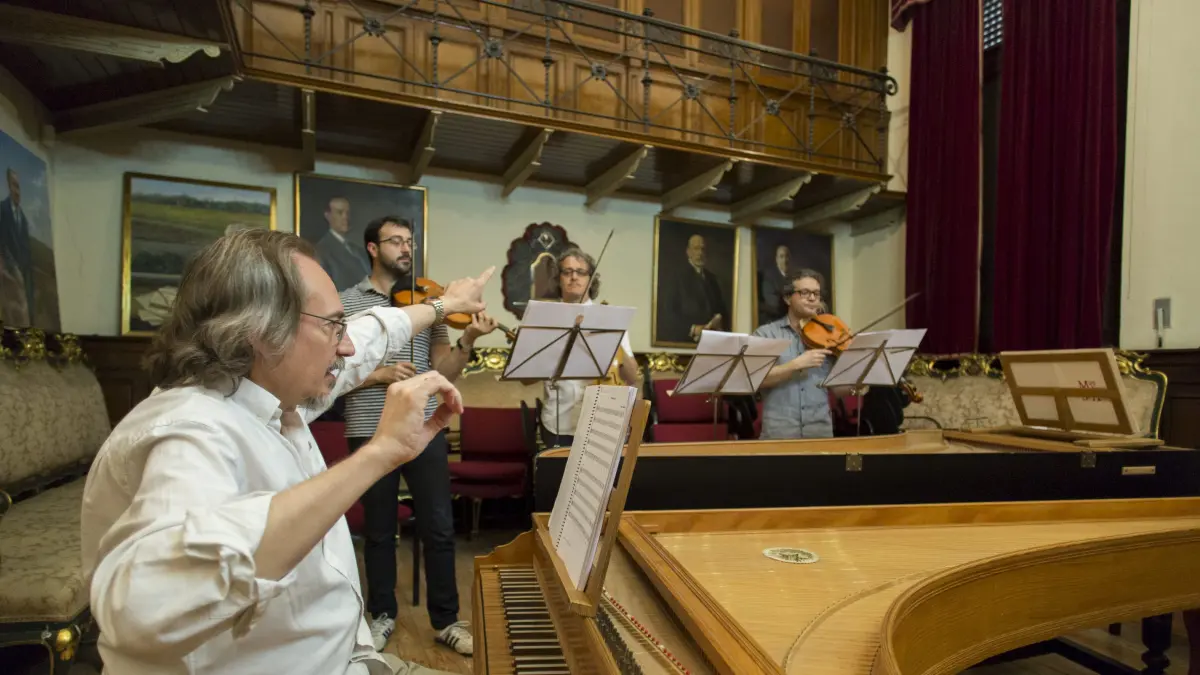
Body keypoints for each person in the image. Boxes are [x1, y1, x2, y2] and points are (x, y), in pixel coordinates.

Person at [80, 228, 494, 674]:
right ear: (262, 332)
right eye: (333, 326)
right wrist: (381, 452)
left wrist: (444, 305)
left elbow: (368, 336)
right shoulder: (189, 430)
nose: (347, 346)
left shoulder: (265, 388)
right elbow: (140, 606)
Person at [340, 216, 497, 655]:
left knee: (439, 527)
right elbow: (332, 372)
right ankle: (381, 614)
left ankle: (446, 620)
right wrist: (379, 375)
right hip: (369, 428)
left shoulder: (434, 305)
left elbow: (445, 370)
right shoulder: (348, 302)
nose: (406, 248)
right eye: (396, 241)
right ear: (373, 248)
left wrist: (468, 339)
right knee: (379, 530)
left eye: (409, 241)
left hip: (423, 429)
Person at [538, 247, 638, 448]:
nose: (574, 277)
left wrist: (613, 337)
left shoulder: (611, 318)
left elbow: (632, 376)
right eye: (567, 272)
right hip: (558, 422)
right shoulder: (544, 318)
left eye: (581, 272)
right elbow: (525, 380)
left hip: (602, 421)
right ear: (558, 279)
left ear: (591, 280)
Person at [752, 269, 835, 439]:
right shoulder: (766, 334)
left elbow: (840, 390)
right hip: (780, 433)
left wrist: (858, 377)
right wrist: (796, 364)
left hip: (820, 433)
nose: (812, 298)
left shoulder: (829, 336)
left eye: (816, 293)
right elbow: (755, 379)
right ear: (787, 298)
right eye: (805, 293)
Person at [658, 234, 727, 344]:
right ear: (688, 252)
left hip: (710, 342)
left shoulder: (712, 279)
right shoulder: (676, 277)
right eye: (696, 248)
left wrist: (718, 322)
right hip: (684, 342)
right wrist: (693, 328)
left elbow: (721, 310)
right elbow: (668, 313)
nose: (700, 253)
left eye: (702, 249)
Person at [316, 196, 371, 291]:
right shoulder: (321, 250)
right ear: (328, 216)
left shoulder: (358, 249)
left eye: (347, 213)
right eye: (340, 212)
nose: (345, 217)